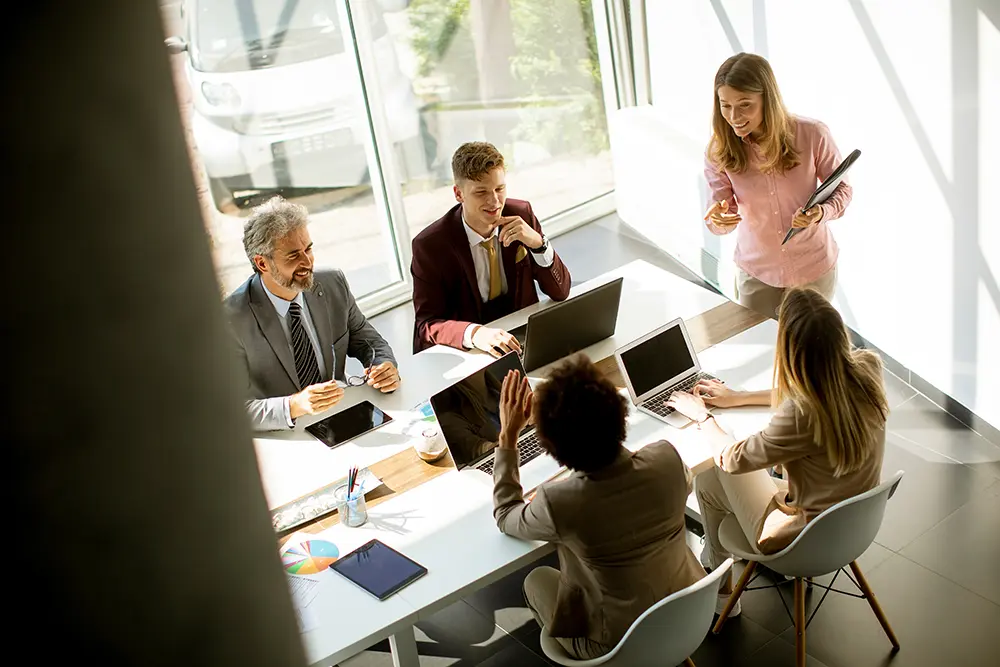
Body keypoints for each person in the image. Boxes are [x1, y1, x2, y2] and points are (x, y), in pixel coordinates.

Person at [666, 287, 888, 614]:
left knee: (715, 471)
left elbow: (732, 459)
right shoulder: (868, 370)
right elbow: (818, 388)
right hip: (851, 522)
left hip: (801, 536)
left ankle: (720, 582)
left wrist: (702, 415)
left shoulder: (801, 415)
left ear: (791, 350)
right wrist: (737, 397)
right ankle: (718, 574)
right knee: (710, 486)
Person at [493, 355, 704, 659]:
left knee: (536, 580)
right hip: (689, 617)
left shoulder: (560, 501)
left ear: (551, 444)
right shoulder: (667, 458)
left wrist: (508, 436)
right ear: (620, 416)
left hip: (616, 648)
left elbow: (505, 515)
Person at [224, 196, 400, 431]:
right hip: (287, 434)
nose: (307, 262)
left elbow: (365, 338)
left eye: (308, 249)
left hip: (343, 416)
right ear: (262, 263)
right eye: (294, 255)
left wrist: (383, 364)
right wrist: (294, 405)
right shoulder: (230, 319)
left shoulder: (331, 283)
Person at [703, 52, 853, 317]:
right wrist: (718, 219)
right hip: (757, 274)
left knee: (809, 355)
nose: (733, 116)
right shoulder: (718, 150)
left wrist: (821, 213)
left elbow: (843, 189)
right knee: (762, 351)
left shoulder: (812, 134)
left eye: (745, 104)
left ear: (767, 99)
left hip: (814, 270)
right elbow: (718, 212)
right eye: (725, 105)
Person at [410, 141, 572, 355]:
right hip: (470, 354)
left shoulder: (521, 214)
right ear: (459, 194)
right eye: (481, 192)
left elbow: (560, 292)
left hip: (522, 343)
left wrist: (538, 244)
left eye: (499, 188)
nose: (494, 201)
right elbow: (426, 325)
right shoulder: (430, 246)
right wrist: (475, 334)